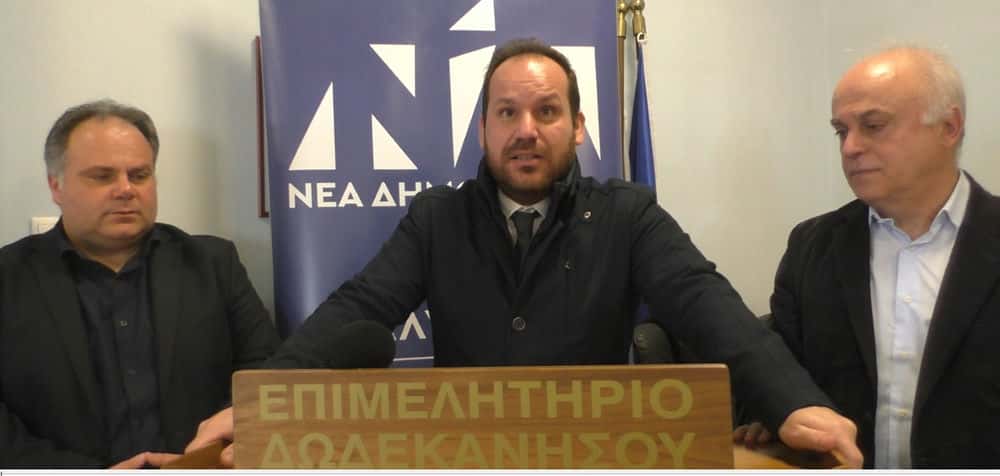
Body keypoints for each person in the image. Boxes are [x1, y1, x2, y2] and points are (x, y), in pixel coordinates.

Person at [187, 38, 862, 468]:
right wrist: (259, 405)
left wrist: (793, 403)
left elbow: (708, 305)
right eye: (507, 113)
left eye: (546, 111)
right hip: (465, 458)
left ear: (578, 126)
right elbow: (359, 307)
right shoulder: (438, 219)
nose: (526, 131)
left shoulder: (627, 214)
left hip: (595, 458)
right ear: (483, 128)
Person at [734, 46, 1000, 468]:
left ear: (949, 127)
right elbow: (778, 378)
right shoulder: (812, 248)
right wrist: (770, 418)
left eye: (873, 126)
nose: (851, 147)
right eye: (841, 131)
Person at [0, 99, 281, 468]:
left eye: (139, 175)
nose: (125, 189)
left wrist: (210, 455)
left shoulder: (212, 264)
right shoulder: (9, 278)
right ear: (56, 186)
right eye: (102, 176)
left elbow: (266, 376)